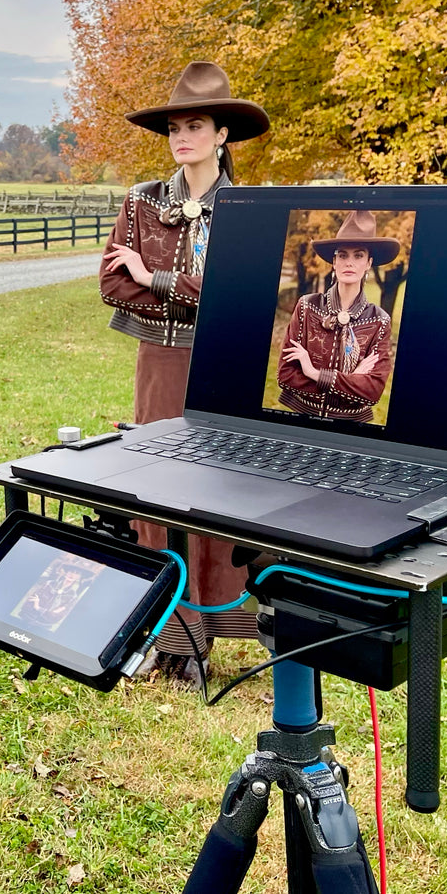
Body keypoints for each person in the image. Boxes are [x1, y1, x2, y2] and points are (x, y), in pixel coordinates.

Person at [98, 61, 270, 679]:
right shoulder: (143, 201)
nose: (181, 137)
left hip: (227, 361)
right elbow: (114, 285)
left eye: (195, 125)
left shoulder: (250, 208)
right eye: (174, 127)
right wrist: (178, 288)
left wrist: (159, 278)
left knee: (222, 490)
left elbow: (250, 295)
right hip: (161, 361)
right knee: (158, 489)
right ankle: (170, 635)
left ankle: (220, 624)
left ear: (223, 134)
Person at [276, 211, 401, 423]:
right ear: (334, 262)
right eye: (342, 255)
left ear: (369, 263)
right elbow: (286, 376)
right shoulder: (307, 306)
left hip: (350, 426)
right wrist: (353, 380)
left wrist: (313, 373)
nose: (349, 262)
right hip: (301, 419)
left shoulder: (379, 321)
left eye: (358, 255)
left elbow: (372, 392)